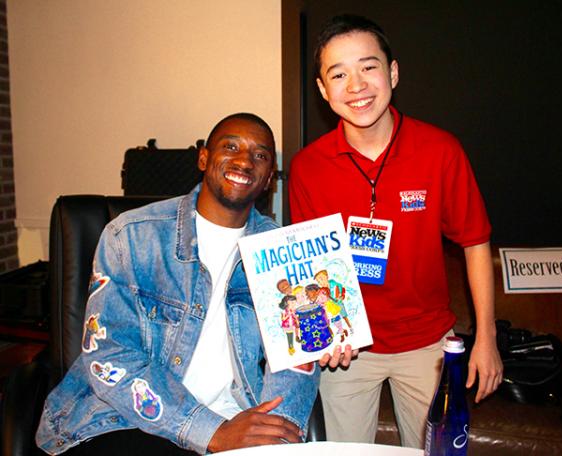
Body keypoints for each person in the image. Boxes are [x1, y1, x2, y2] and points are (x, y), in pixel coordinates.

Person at [36, 113, 320, 455]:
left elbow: (296, 359)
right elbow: (112, 354)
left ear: (269, 177)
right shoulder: (131, 236)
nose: (245, 161)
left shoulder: (285, 249)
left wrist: (274, 434)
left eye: (260, 155)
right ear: (203, 157)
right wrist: (209, 430)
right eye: (231, 146)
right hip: (124, 419)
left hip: (234, 416)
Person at [288, 14, 503, 448]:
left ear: (393, 72)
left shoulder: (441, 151)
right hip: (347, 354)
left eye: (368, 67)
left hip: (427, 345)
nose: (356, 85)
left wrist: (487, 338)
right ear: (323, 90)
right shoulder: (307, 167)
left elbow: (476, 242)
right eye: (339, 74)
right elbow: (307, 266)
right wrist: (319, 339)